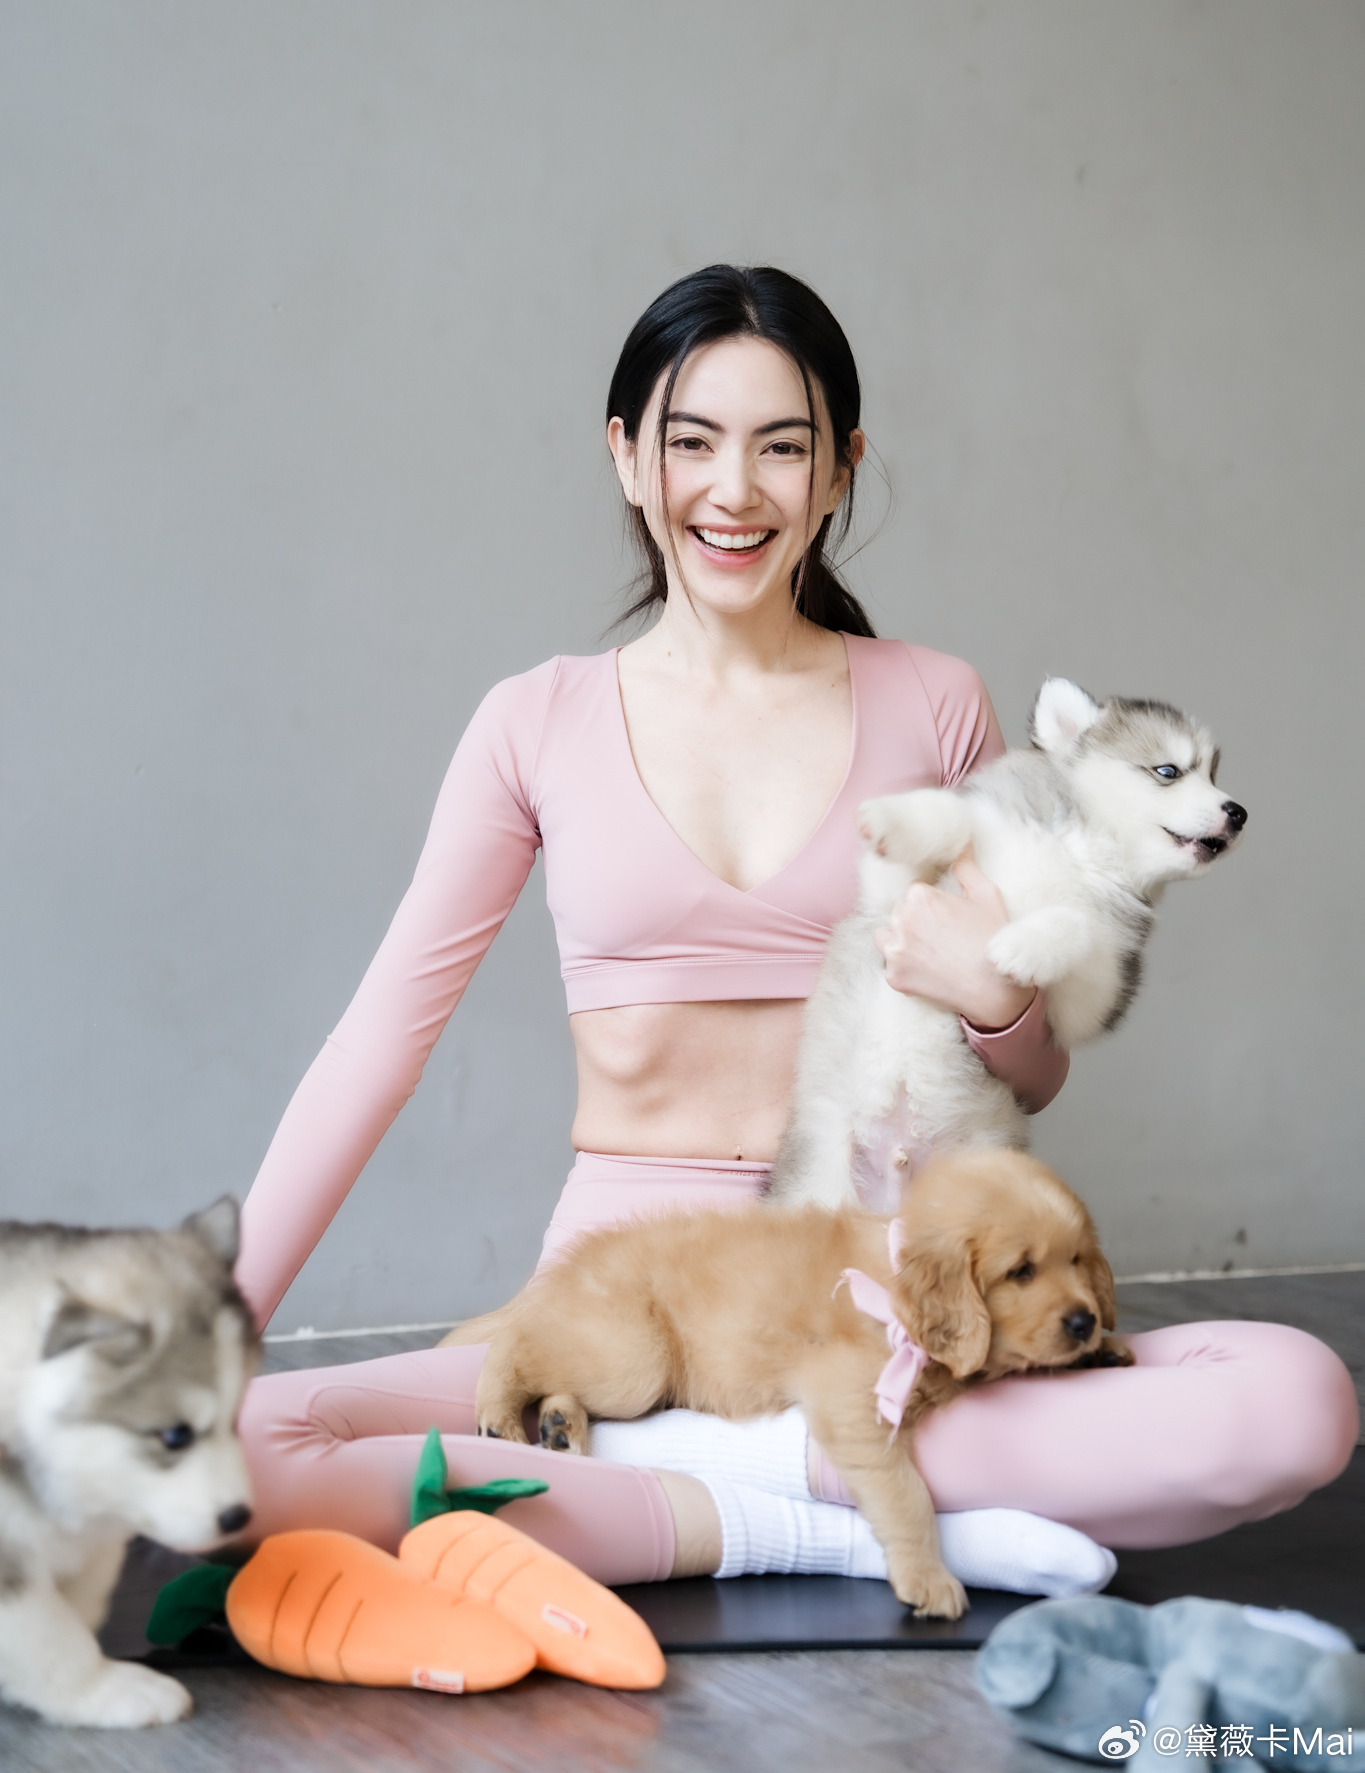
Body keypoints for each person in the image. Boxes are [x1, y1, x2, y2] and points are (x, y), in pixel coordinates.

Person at [234, 266, 1356, 1596]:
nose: (734, 490)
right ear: (627, 457)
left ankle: (681, 1482)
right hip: (639, 1308)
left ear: (839, 471)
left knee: (1294, 1400)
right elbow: (379, 1046)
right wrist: (219, 1327)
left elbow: (1035, 1070)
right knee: (240, 1450)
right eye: (692, 442)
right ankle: (817, 1514)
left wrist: (993, 1000)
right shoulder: (535, 720)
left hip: (891, 1310)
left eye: (781, 447)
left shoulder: (932, 700)